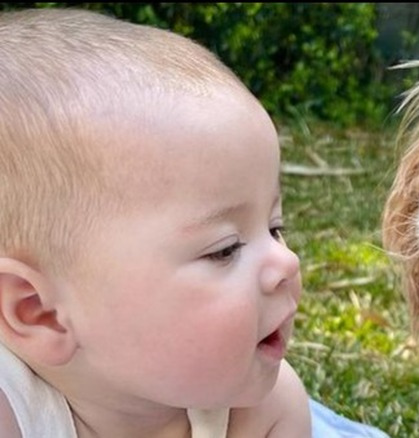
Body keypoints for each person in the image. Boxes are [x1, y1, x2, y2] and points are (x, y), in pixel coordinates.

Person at [0, 7, 388, 438]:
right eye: (224, 249)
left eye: (275, 228)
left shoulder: (262, 411)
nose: (286, 263)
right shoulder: (14, 413)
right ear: (39, 311)